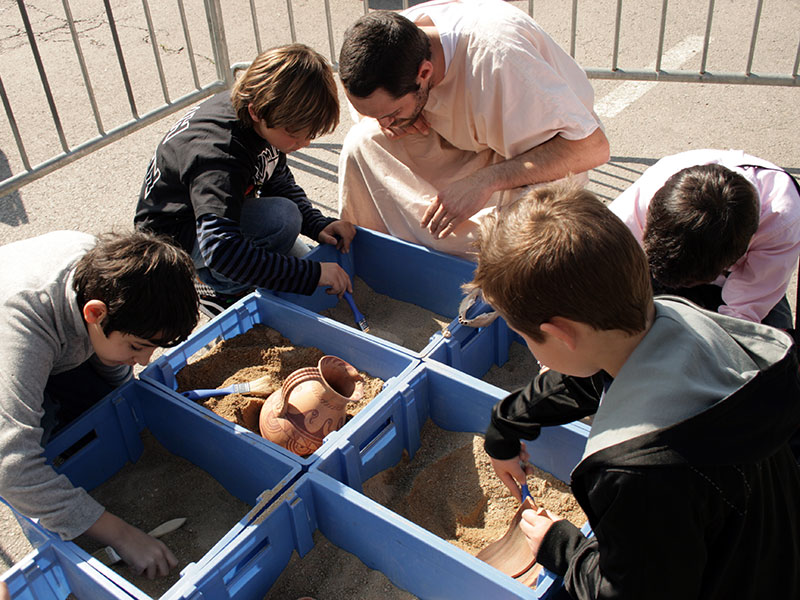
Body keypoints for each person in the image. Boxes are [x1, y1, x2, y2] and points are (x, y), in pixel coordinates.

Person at [468, 181, 800, 598]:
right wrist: (508, 424)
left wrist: (562, 547)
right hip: (768, 540)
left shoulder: (636, 475)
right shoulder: (681, 319)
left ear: (560, 333)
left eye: (527, 337)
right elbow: (591, 376)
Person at [337, 0, 609, 258]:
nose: (385, 122)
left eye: (392, 113)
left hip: (532, 160)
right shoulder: (396, 39)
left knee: (526, 238)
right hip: (463, 145)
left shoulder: (501, 57)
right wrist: (390, 119)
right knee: (361, 143)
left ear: (424, 73)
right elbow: (368, 107)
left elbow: (592, 148)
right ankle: (374, 253)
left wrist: (484, 181)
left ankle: (459, 257)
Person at [0, 230, 199, 580]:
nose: (142, 360)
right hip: (11, 346)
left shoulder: (108, 273)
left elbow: (110, 356)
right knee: (37, 436)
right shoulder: (25, 326)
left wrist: (122, 393)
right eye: (138, 347)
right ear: (95, 312)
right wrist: (121, 535)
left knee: (101, 397)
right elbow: (10, 467)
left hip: (51, 344)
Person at [135, 43, 356, 318]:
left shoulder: (265, 114)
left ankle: (244, 275)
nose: (304, 143)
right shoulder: (219, 156)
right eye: (294, 134)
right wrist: (311, 274)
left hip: (219, 219)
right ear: (256, 112)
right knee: (284, 224)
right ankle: (214, 286)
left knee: (297, 245)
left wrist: (317, 224)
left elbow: (276, 177)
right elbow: (221, 249)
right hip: (174, 246)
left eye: (310, 134)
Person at [609, 148, 800, 329]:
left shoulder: (782, 225)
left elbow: (742, 311)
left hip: (751, 279)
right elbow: (598, 255)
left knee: (775, 351)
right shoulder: (648, 192)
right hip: (663, 262)